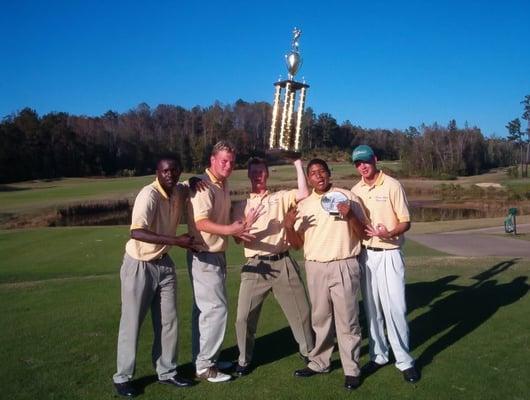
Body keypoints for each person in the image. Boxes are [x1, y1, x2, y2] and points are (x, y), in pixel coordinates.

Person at [112, 156, 199, 398]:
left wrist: (194, 179)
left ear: (179, 171)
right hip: (139, 265)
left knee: (169, 321)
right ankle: (122, 377)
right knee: (131, 323)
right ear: (157, 173)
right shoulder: (148, 195)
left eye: (174, 170)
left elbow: (190, 184)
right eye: (165, 171)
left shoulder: (179, 190)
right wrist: (177, 241)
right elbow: (136, 231)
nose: (169, 174)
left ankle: (167, 371)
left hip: (165, 265)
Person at [284, 158, 367, 391]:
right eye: (313, 173)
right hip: (315, 267)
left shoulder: (348, 197)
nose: (318, 176)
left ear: (329, 174)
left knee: (347, 320)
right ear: (308, 178)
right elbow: (297, 245)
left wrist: (350, 215)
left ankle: (351, 368)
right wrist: (289, 227)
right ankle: (320, 362)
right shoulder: (304, 205)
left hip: (344, 263)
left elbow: (363, 235)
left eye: (322, 171)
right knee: (320, 319)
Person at [232, 157, 314, 376]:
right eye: (254, 172)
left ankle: (309, 352)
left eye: (261, 172)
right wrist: (247, 222)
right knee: (243, 317)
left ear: (267, 174)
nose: (258, 175)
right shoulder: (241, 205)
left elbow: (304, 193)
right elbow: (237, 239)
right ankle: (244, 359)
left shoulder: (279, 197)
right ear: (249, 175)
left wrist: (297, 163)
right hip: (255, 266)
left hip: (282, 262)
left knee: (302, 313)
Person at [186, 140, 258, 383]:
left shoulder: (222, 184)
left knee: (204, 310)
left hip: (216, 253)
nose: (228, 165)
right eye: (223, 161)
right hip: (204, 255)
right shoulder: (203, 186)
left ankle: (205, 359)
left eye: (231, 161)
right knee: (215, 310)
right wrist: (230, 230)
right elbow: (201, 222)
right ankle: (205, 366)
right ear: (212, 160)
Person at [350, 144, 420, 383]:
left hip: (390, 253)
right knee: (372, 309)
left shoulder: (392, 185)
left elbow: (406, 221)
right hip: (366, 255)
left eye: (366, 161)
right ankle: (379, 355)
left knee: (396, 308)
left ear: (375, 160)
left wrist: (389, 232)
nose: (362, 166)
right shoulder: (355, 189)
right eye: (358, 163)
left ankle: (404, 359)